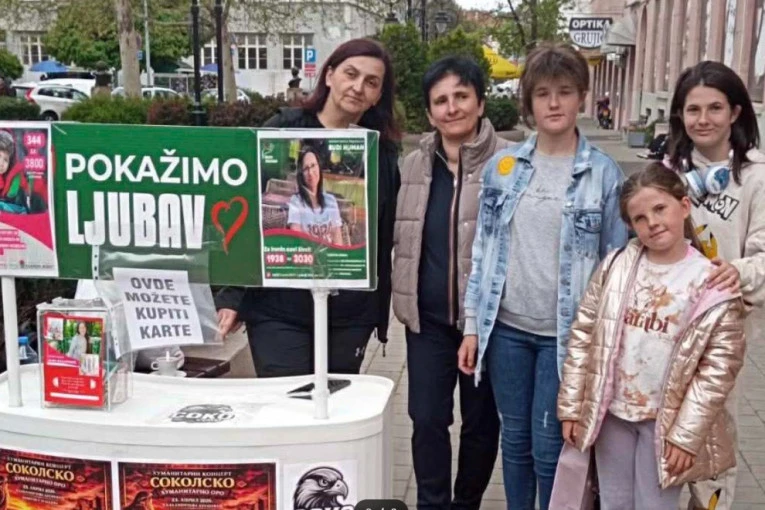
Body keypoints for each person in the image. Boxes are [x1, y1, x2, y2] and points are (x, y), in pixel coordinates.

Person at [457, 42, 628, 510]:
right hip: (507, 331)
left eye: (565, 92)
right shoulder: (504, 168)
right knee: (514, 440)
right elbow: (483, 252)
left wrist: (604, 350)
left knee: (550, 446)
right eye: (543, 93)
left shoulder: (603, 174)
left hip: (565, 339)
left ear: (581, 98)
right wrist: (472, 326)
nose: (554, 103)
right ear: (529, 101)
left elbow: (616, 268)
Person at [557, 164, 746, 509]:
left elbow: (718, 370)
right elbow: (584, 335)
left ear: (684, 206)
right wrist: (572, 407)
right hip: (613, 415)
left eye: (660, 209)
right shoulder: (615, 266)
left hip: (665, 424)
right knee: (614, 502)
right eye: (640, 218)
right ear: (630, 226)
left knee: (654, 504)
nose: (653, 222)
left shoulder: (711, 282)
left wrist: (685, 436)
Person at [216, 38, 400, 377]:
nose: (358, 87)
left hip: (349, 315)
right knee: (288, 402)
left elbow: (384, 234)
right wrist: (232, 295)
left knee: (336, 403)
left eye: (371, 82)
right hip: (278, 309)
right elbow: (245, 214)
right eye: (351, 74)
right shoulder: (281, 129)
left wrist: (378, 311)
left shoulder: (381, 152)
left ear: (378, 95)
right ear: (329, 75)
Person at [392, 56, 508, 510]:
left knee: (481, 425)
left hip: (490, 324)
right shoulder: (412, 166)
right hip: (428, 322)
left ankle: (467, 504)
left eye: (461, 96)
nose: (451, 107)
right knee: (426, 420)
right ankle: (432, 504)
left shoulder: (510, 163)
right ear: (429, 112)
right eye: (440, 100)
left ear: (480, 103)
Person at [666, 60, 765, 510]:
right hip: (667, 327)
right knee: (665, 429)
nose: (703, 119)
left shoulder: (756, 176)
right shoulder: (667, 173)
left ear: (736, 112)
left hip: (726, 332)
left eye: (715, 108)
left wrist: (737, 272)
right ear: (680, 114)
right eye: (693, 109)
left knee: (715, 432)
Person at [288, 146, 345, 246]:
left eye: (313, 165)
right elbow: (297, 242)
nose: (310, 172)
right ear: (301, 174)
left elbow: (338, 241)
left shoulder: (331, 201)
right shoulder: (296, 202)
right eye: (306, 169)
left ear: (319, 167)